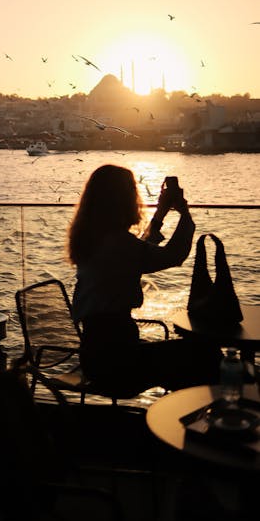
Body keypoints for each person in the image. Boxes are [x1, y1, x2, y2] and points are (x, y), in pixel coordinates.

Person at [67, 164, 221, 397]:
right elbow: (173, 255)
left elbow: (140, 249)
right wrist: (184, 214)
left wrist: (161, 212)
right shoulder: (119, 244)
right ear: (123, 200)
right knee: (205, 355)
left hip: (97, 355)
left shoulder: (92, 239)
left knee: (192, 357)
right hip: (118, 362)